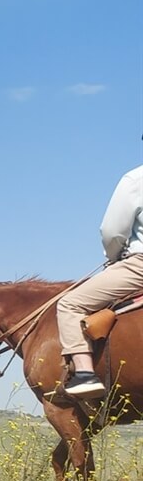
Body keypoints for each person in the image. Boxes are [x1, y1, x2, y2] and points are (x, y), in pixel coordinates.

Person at [55, 163, 143, 399]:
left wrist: (114, 257)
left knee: (69, 304)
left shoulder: (136, 178)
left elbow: (112, 232)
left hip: (139, 266)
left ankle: (84, 374)